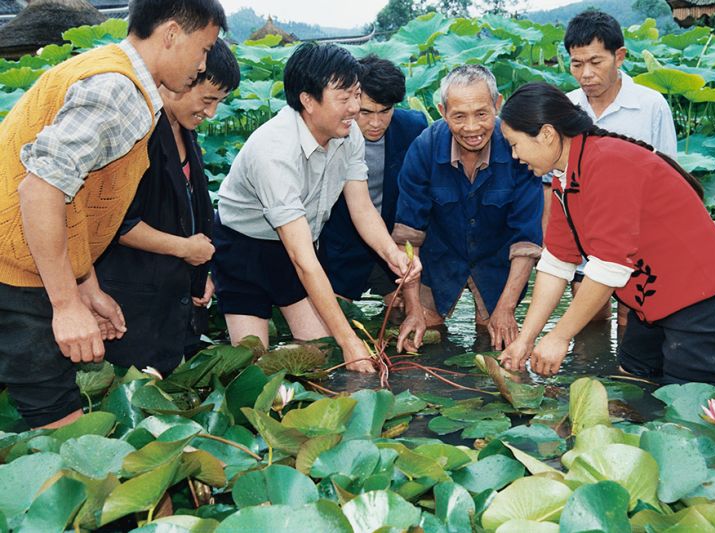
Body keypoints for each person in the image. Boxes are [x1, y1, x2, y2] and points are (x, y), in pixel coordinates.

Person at [0, 0, 225, 428]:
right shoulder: (116, 89)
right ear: (172, 34)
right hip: (14, 274)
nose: (203, 64)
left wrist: (87, 283)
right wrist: (66, 304)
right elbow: (41, 188)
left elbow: (80, 199)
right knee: (60, 433)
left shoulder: (121, 80)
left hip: (28, 266)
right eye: (204, 48)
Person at [498, 83, 715, 386]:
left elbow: (608, 267)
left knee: (686, 407)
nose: (514, 155)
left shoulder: (607, 163)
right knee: (631, 385)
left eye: (515, 144)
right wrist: (526, 339)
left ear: (547, 134)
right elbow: (557, 263)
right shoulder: (565, 177)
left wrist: (560, 336)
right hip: (652, 301)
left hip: (700, 298)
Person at [212, 43, 421, 373]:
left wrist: (392, 255)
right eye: (345, 97)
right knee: (252, 368)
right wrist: (349, 340)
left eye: (357, 95)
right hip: (244, 250)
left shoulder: (347, 134)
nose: (355, 107)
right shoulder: (274, 151)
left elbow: (362, 207)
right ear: (308, 100)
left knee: (321, 357)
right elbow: (303, 259)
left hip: (301, 244)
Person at [95, 38, 240, 375]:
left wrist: (198, 276)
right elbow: (118, 222)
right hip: (133, 304)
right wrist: (185, 249)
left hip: (176, 301)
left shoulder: (186, 131)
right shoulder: (139, 131)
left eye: (220, 102)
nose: (212, 113)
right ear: (183, 80)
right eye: (207, 100)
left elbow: (190, 211)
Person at [393, 65, 544, 352]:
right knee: (424, 335)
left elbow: (526, 240)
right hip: (439, 260)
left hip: (496, 262)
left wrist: (506, 308)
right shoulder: (424, 148)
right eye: (459, 116)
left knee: (494, 337)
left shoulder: (518, 150)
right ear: (442, 110)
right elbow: (407, 238)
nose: (472, 128)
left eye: (482, 114)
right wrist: (412, 309)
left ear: (497, 105)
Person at [546, 10, 679, 325]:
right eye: (577, 64)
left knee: (633, 327)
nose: (586, 74)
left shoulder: (651, 106)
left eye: (596, 62)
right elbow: (554, 186)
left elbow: (671, 177)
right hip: (585, 241)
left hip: (640, 242)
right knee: (588, 327)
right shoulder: (566, 109)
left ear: (619, 56)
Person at [318, 55, 427, 315]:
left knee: (405, 315)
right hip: (339, 244)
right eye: (366, 112)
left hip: (391, 242)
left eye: (385, 111)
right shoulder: (330, 133)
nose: (376, 123)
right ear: (352, 99)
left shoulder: (413, 129)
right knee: (333, 324)